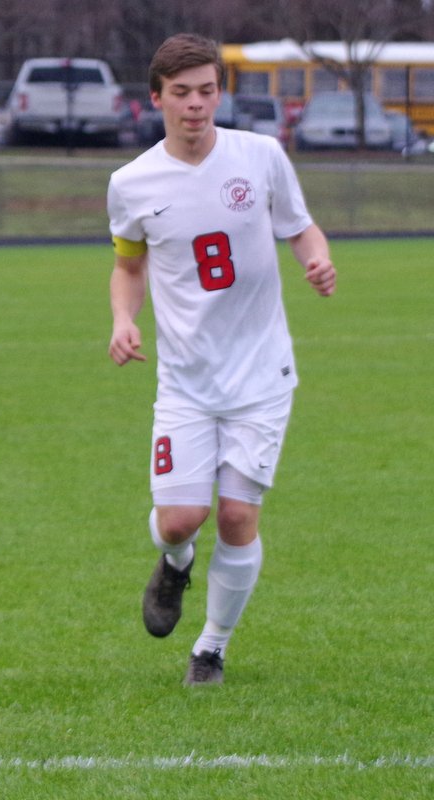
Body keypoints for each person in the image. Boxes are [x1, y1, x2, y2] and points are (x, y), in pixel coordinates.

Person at [106, 34, 336, 687]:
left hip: (262, 375)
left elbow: (301, 227)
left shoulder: (260, 156)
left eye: (207, 91)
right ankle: (175, 563)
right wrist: (124, 319)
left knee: (236, 515)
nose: (196, 105)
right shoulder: (131, 183)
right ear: (157, 98)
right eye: (182, 93)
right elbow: (128, 267)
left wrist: (317, 259)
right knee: (180, 521)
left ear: (219, 94)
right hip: (186, 380)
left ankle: (211, 649)